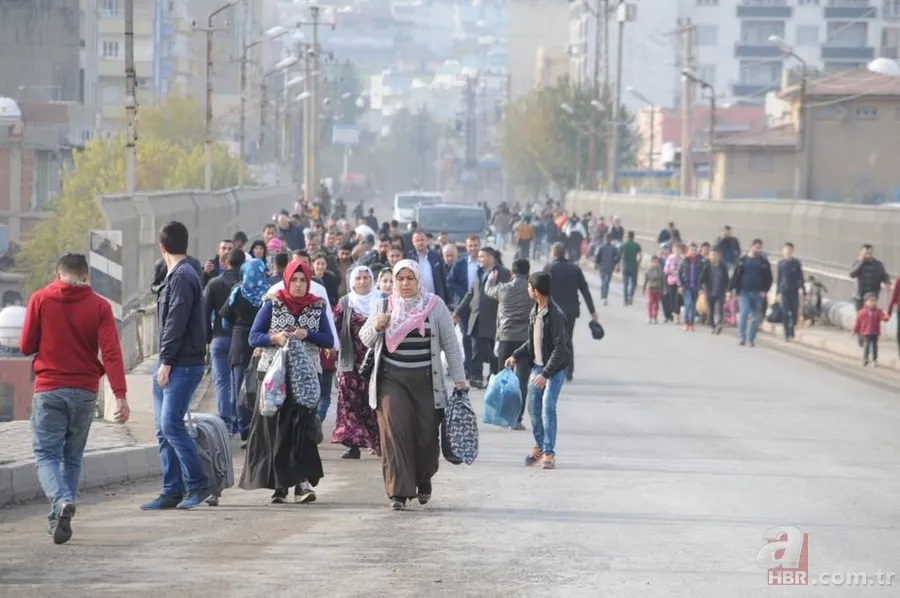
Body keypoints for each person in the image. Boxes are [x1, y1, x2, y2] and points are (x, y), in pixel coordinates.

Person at [20, 253, 130, 544]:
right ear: (85, 276)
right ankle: (58, 516)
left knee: (46, 455)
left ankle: (60, 500)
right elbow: (111, 353)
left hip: (49, 388)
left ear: (58, 274)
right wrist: (120, 395)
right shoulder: (99, 306)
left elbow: (25, 346)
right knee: (72, 457)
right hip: (84, 391)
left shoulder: (40, 299)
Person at [359, 260, 466, 510]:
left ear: (419, 281)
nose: (405, 283)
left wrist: (460, 381)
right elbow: (364, 339)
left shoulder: (435, 306)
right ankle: (398, 492)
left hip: (427, 381)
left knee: (426, 438)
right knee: (396, 433)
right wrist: (376, 326)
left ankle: (423, 478)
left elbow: (450, 344)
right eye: (400, 279)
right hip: (391, 380)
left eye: (410, 279)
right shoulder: (383, 305)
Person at [242, 261, 334, 503]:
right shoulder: (272, 304)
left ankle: (301, 483)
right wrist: (275, 337)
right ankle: (280, 485)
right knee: (275, 429)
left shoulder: (316, 306)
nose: (299, 285)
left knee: (302, 429)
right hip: (274, 377)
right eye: (294, 280)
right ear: (286, 280)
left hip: (305, 378)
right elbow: (253, 337)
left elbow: (328, 339)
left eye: (303, 280)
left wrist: (307, 334)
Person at [141, 221, 211, 511]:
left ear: (162, 247)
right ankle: (171, 490)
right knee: (162, 428)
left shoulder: (181, 276)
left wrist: (166, 361)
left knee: (171, 424)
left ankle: (198, 484)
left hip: (181, 363)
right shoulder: (180, 274)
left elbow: (175, 321)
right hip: (174, 361)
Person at [505, 271, 571, 470]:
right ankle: (540, 446)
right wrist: (515, 355)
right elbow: (533, 342)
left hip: (555, 368)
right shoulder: (535, 311)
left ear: (536, 291)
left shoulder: (556, 315)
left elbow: (560, 349)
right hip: (539, 365)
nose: (527, 290)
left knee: (547, 407)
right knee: (533, 409)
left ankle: (549, 453)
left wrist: (545, 374)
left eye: (528, 287)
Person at [332, 265, 381, 459]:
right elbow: (334, 327)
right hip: (350, 360)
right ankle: (352, 445)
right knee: (349, 404)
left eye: (365, 278)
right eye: (358, 278)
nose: (362, 281)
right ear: (352, 281)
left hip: (374, 362)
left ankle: (378, 443)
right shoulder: (345, 303)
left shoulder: (382, 301)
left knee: (373, 404)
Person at [219, 258, 269, 446]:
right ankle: (260, 431)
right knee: (262, 389)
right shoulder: (269, 294)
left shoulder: (238, 292)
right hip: (263, 346)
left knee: (240, 389)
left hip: (239, 343)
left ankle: (244, 429)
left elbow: (225, 322)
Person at [484, 258, 533, 430]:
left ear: (512, 273)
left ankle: (501, 414)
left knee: (504, 379)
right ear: (528, 273)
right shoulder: (531, 291)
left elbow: (488, 290)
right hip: (525, 341)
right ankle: (517, 418)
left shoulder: (504, 289)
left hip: (505, 338)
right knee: (521, 381)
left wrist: (491, 278)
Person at [454, 247, 510, 388]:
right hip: (476, 317)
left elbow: (506, 295)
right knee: (476, 351)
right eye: (478, 256)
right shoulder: (479, 272)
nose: (479, 259)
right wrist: (458, 312)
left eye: (482, 256)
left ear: (491, 257)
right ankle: (476, 377)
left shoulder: (502, 273)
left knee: (492, 352)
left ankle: (494, 378)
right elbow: (471, 293)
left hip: (493, 318)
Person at [203, 248, 245, 434]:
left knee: (221, 381)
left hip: (218, 338)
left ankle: (225, 423)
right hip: (241, 341)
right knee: (239, 382)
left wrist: (207, 338)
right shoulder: (247, 286)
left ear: (226, 262)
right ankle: (238, 421)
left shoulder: (214, 284)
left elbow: (204, 314)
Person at [543, 242, 597, 382]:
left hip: (553, 311)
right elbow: (585, 290)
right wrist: (592, 311)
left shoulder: (549, 268)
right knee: (567, 340)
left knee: (552, 340)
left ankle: (552, 368)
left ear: (554, 253)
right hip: (570, 311)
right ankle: (568, 371)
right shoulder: (575, 269)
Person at [729, 238, 773, 348]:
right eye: (757, 247)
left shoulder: (763, 262)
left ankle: (751, 338)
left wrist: (765, 290)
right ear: (752, 246)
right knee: (744, 313)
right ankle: (742, 337)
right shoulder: (743, 260)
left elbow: (769, 278)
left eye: (760, 247)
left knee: (755, 317)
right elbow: (736, 276)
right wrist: (731, 289)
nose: (758, 249)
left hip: (758, 292)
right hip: (744, 292)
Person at [776, 242, 806, 341]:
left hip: (794, 290)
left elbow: (801, 278)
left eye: (789, 250)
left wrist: (804, 292)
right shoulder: (780, 264)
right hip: (784, 290)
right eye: (786, 250)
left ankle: (791, 328)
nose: (787, 252)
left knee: (794, 311)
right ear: (783, 251)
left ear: (792, 251)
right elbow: (779, 278)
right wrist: (778, 293)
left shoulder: (796, 263)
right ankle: (786, 332)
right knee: (784, 312)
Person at [700, 248, 730, 334]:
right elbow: (701, 278)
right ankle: (712, 325)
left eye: (715, 255)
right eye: (711, 255)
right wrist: (700, 288)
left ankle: (719, 323)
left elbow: (726, 279)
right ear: (709, 256)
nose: (713, 257)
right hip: (709, 291)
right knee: (711, 309)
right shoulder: (707, 266)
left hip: (720, 291)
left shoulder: (723, 267)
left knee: (720, 308)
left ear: (718, 256)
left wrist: (728, 290)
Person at [854, 293, 889, 366]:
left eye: (874, 300)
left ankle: (874, 359)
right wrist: (855, 330)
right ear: (866, 302)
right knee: (866, 345)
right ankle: (865, 358)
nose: (872, 302)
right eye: (870, 300)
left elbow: (883, 316)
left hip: (875, 332)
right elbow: (858, 322)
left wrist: (886, 317)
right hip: (865, 332)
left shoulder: (877, 311)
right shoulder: (862, 312)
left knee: (874, 345)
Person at [677, 243, 702, 331]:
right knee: (688, 304)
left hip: (695, 287)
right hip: (686, 286)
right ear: (688, 251)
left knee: (693, 306)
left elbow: (701, 275)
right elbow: (679, 274)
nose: (693, 252)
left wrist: (701, 287)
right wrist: (680, 285)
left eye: (694, 250)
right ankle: (686, 322)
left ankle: (691, 324)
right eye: (691, 250)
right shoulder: (684, 261)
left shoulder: (699, 262)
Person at [618, 231, 643, 306]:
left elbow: (619, 256)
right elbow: (641, 255)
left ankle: (625, 300)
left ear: (627, 237)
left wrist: (618, 265)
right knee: (634, 283)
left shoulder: (623, 245)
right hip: (634, 266)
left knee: (625, 284)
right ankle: (631, 296)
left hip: (625, 266)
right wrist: (638, 263)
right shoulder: (637, 245)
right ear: (633, 237)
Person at [593, 234, 619, 306]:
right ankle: (603, 296)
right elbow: (597, 257)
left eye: (608, 239)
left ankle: (605, 297)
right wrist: (596, 264)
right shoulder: (601, 247)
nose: (607, 240)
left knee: (606, 283)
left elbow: (617, 257)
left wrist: (616, 264)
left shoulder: (613, 248)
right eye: (606, 239)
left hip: (609, 268)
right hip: (603, 268)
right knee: (603, 283)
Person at [663, 243, 684, 323]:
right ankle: (673, 314)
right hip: (672, 281)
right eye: (675, 249)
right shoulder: (670, 258)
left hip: (680, 282)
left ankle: (677, 315)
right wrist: (668, 271)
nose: (677, 251)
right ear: (673, 250)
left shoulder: (682, 259)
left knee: (677, 299)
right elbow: (666, 269)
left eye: (679, 249)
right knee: (672, 299)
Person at [642, 256, 665, 324]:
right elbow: (645, 280)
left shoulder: (660, 271)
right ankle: (650, 317)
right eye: (654, 262)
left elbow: (663, 281)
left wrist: (664, 289)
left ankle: (654, 317)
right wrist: (643, 289)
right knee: (650, 302)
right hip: (650, 288)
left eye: (656, 262)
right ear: (651, 263)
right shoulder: (648, 270)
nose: (655, 263)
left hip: (658, 289)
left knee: (656, 304)